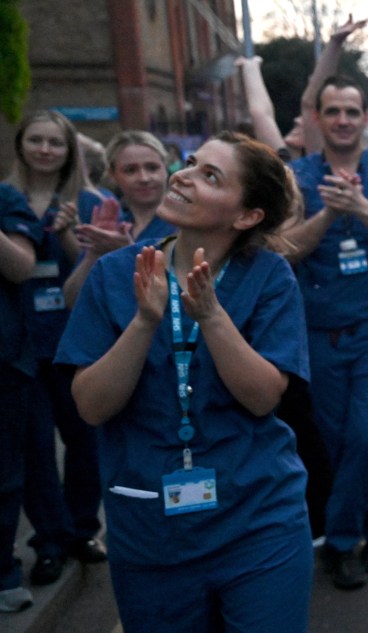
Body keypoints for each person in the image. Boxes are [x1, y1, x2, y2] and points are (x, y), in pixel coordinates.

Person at [55, 131, 313, 632]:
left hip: (258, 522)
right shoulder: (115, 275)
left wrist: (212, 318)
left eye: (209, 176)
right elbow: (90, 406)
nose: (183, 176)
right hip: (151, 532)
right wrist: (144, 322)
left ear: (246, 216)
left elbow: (263, 398)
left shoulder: (269, 276)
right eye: (191, 163)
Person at [284, 75, 368, 590]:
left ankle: (340, 542)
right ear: (317, 119)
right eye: (332, 111)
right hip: (317, 330)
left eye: (351, 111)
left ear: (366, 118)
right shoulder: (296, 177)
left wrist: (362, 207)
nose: (342, 120)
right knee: (338, 441)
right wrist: (327, 215)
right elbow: (283, 249)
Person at [6, 110, 111, 585]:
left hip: (75, 341)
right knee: (35, 452)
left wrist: (70, 233)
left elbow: (97, 271)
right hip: (21, 347)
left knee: (85, 440)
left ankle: (82, 529)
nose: (45, 150)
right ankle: (49, 540)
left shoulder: (90, 202)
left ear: (70, 150)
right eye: (36, 140)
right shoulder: (6, 199)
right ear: (21, 144)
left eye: (56, 142)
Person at [64, 130, 176, 308]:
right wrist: (94, 254)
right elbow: (71, 299)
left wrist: (128, 253)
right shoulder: (111, 226)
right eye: (130, 170)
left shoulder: (186, 224)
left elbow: (185, 297)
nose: (144, 178)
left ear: (166, 168)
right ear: (113, 174)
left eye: (152, 167)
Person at [235, 14, 367, 162]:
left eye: (303, 124)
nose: (297, 121)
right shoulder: (286, 167)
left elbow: (309, 103)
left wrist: (335, 44)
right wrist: (251, 68)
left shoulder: (319, 168)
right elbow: (261, 115)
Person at [0, 184, 43, 613]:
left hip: (4, 361)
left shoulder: (7, 199)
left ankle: (3, 573)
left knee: (4, 475)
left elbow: (21, 268)